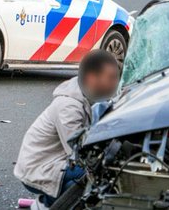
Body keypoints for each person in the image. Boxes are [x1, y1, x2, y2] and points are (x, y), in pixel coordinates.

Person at [14, 49, 121, 209]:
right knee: (95, 177)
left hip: (55, 162)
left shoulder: (85, 93)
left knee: (96, 174)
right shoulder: (68, 107)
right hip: (38, 168)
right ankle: (46, 204)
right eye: (111, 78)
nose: (116, 83)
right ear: (92, 78)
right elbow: (78, 153)